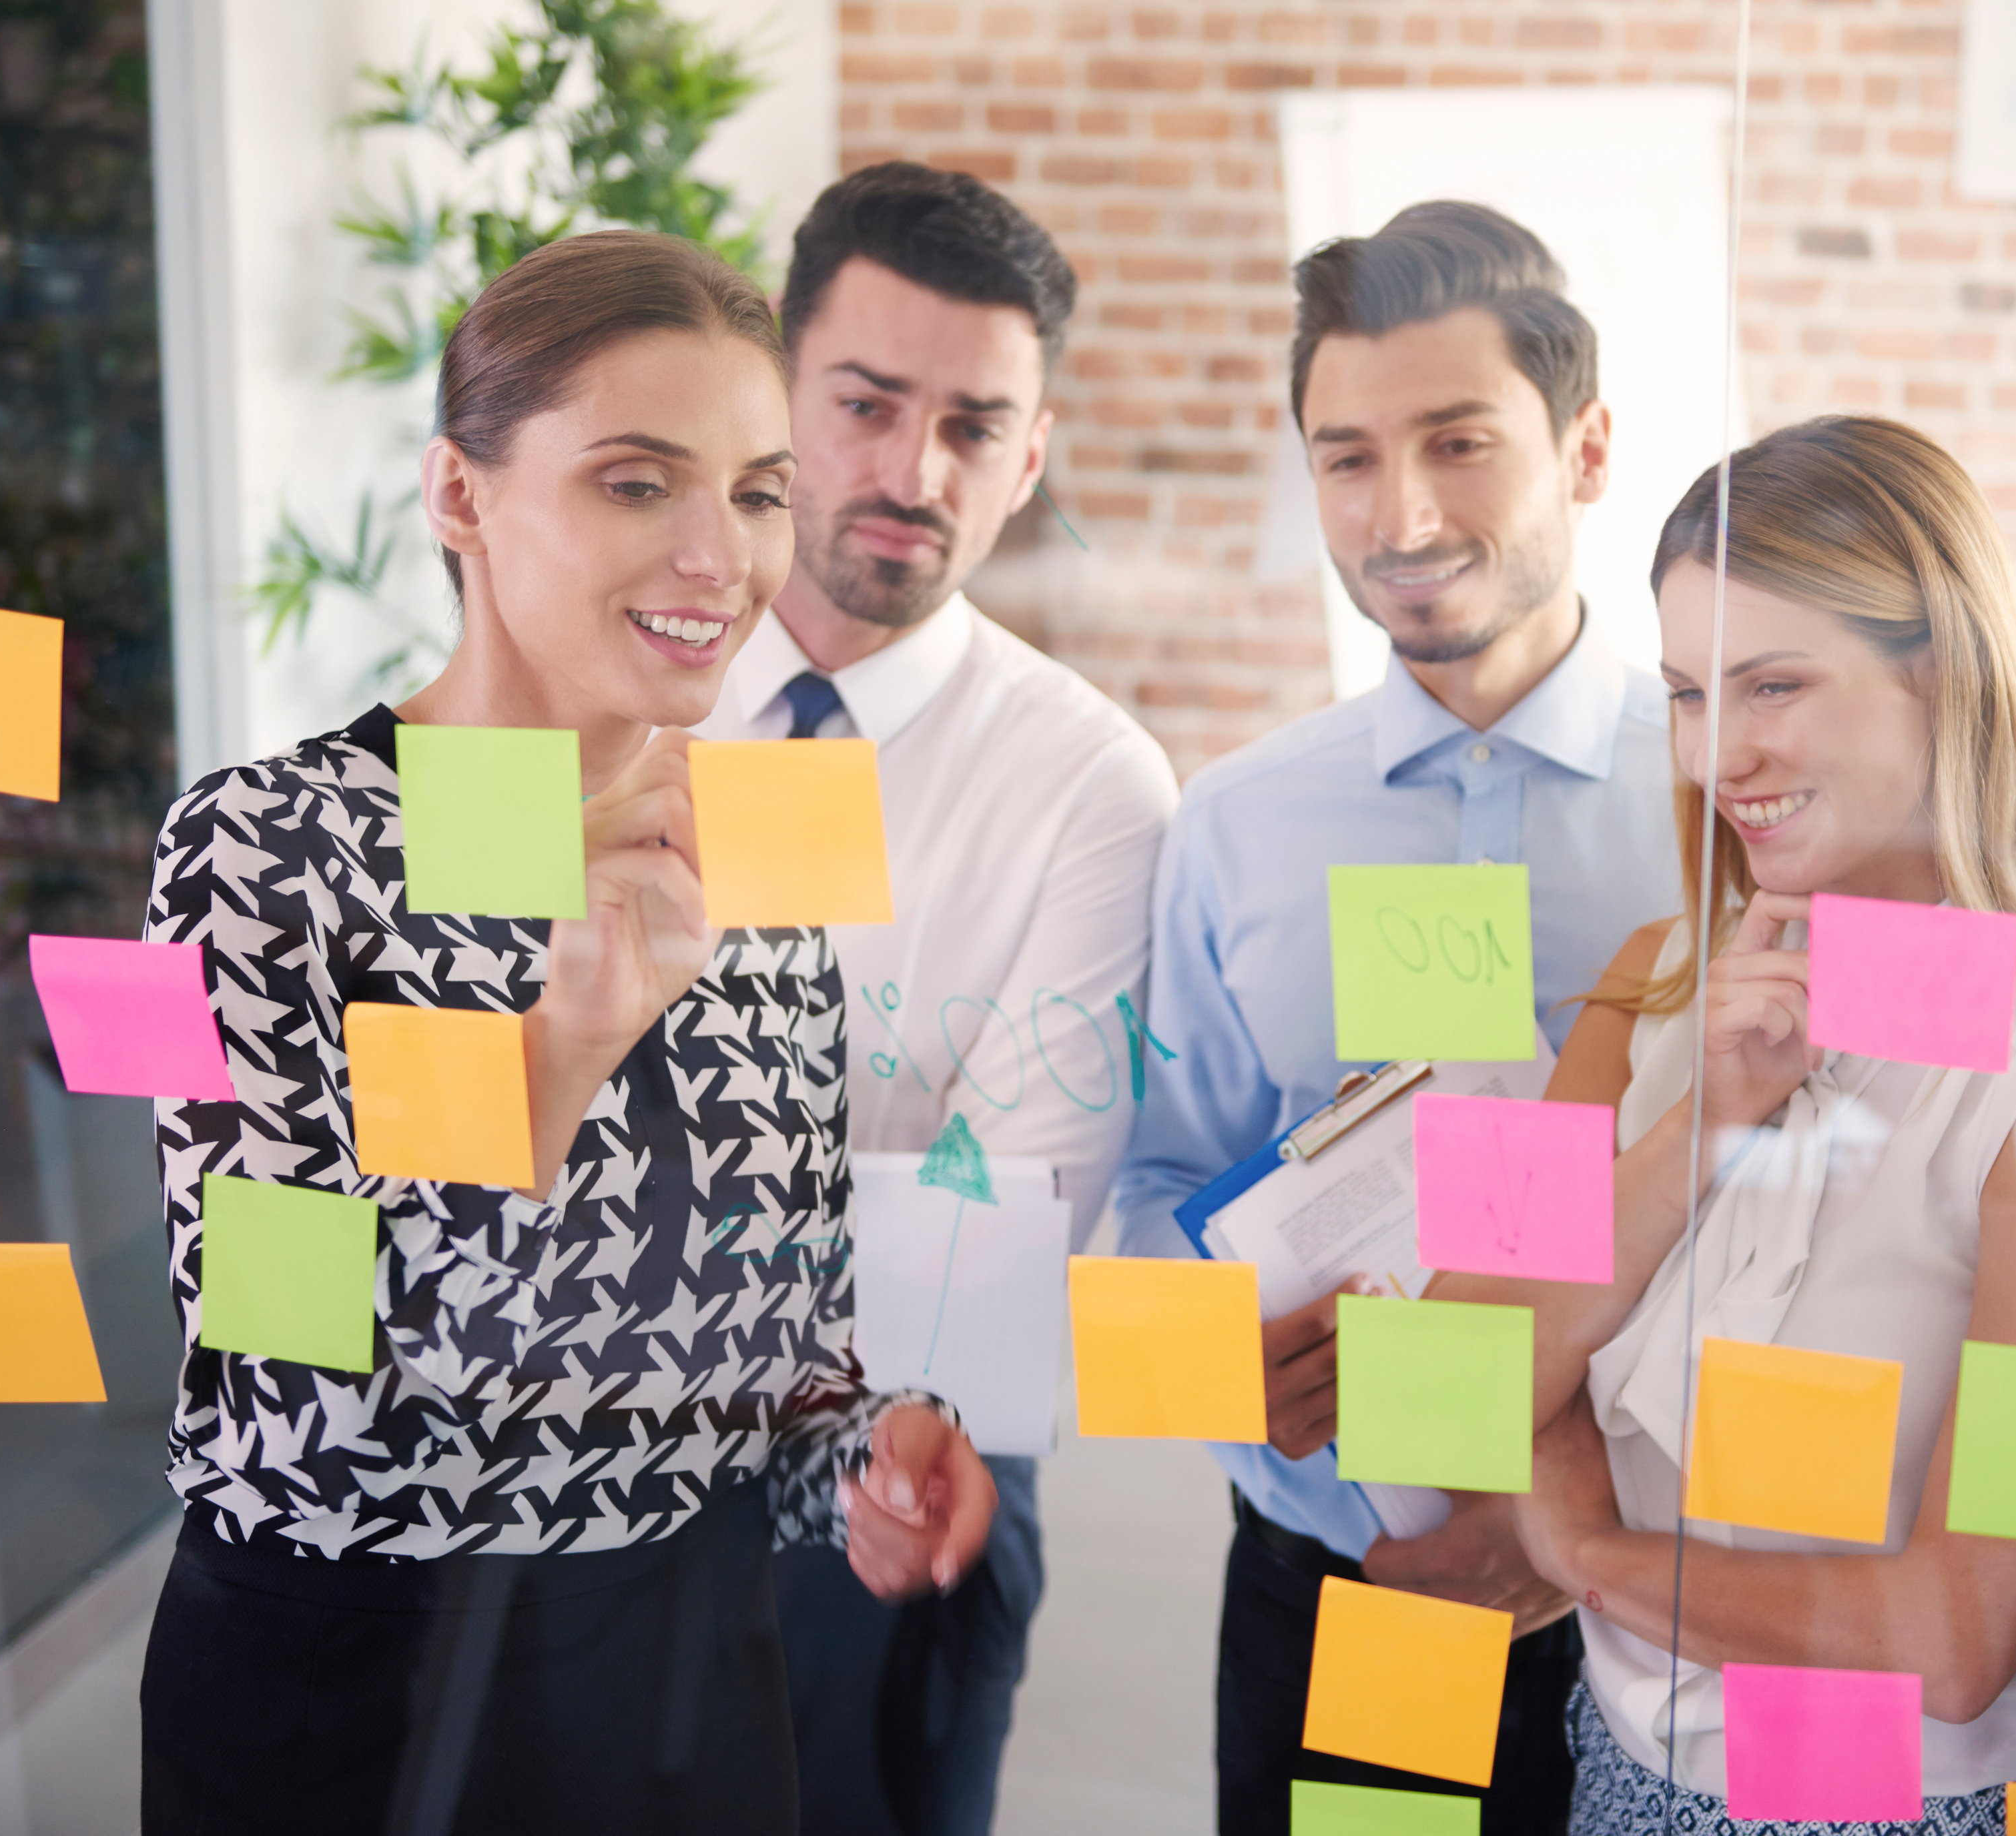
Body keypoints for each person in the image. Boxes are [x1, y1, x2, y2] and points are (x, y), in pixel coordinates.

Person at [134, 230, 994, 1836]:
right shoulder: (262, 845)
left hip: (688, 1681)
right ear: (461, 495)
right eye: (633, 482)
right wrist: (560, 1040)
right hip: (352, 1689)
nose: (719, 557)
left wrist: (868, 1456)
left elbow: (770, 1358)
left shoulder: (752, 849)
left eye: (754, 491)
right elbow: (288, 1381)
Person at [1442, 417, 2016, 1835]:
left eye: (1772, 681)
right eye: (1682, 693)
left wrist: (1592, 1553)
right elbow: (1453, 1368)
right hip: (1619, 1762)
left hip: (1905, 1809)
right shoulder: (1649, 978)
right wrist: (1697, 1138)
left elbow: (1959, 1639)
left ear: (1942, 677)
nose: (1714, 750)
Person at [1112, 201, 1680, 1833]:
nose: (1401, 511)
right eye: (1346, 456)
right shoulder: (1234, 822)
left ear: (1582, 451)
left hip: (1670, 1599)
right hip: (1352, 1581)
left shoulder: (1732, 800)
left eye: (1458, 442)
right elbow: (1159, 1179)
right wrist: (1229, 1355)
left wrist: (1563, 1526)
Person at [695, 161, 1179, 1835]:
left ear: (1031, 456)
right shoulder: (608, 691)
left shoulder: (1092, 782)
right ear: (775, 392)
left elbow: (1018, 1167)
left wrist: (892, 1438)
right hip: (582, 1474)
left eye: (976, 425)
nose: (917, 471)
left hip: (902, 1460)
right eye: (867, 404)